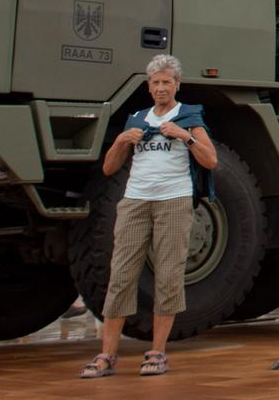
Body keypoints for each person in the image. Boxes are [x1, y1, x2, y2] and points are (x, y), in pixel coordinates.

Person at [81, 55, 218, 379]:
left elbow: (210, 160)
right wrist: (120, 141)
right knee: (121, 276)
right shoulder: (136, 119)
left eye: (166, 82)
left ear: (176, 85)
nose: (160, 87)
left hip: (173, 200)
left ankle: (157, 352)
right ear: (148, 86)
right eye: (155, 82)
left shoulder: (188, 117)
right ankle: (106, 355)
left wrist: (185, 136)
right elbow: (109, 168)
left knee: (168, 276)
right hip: (135, 201)